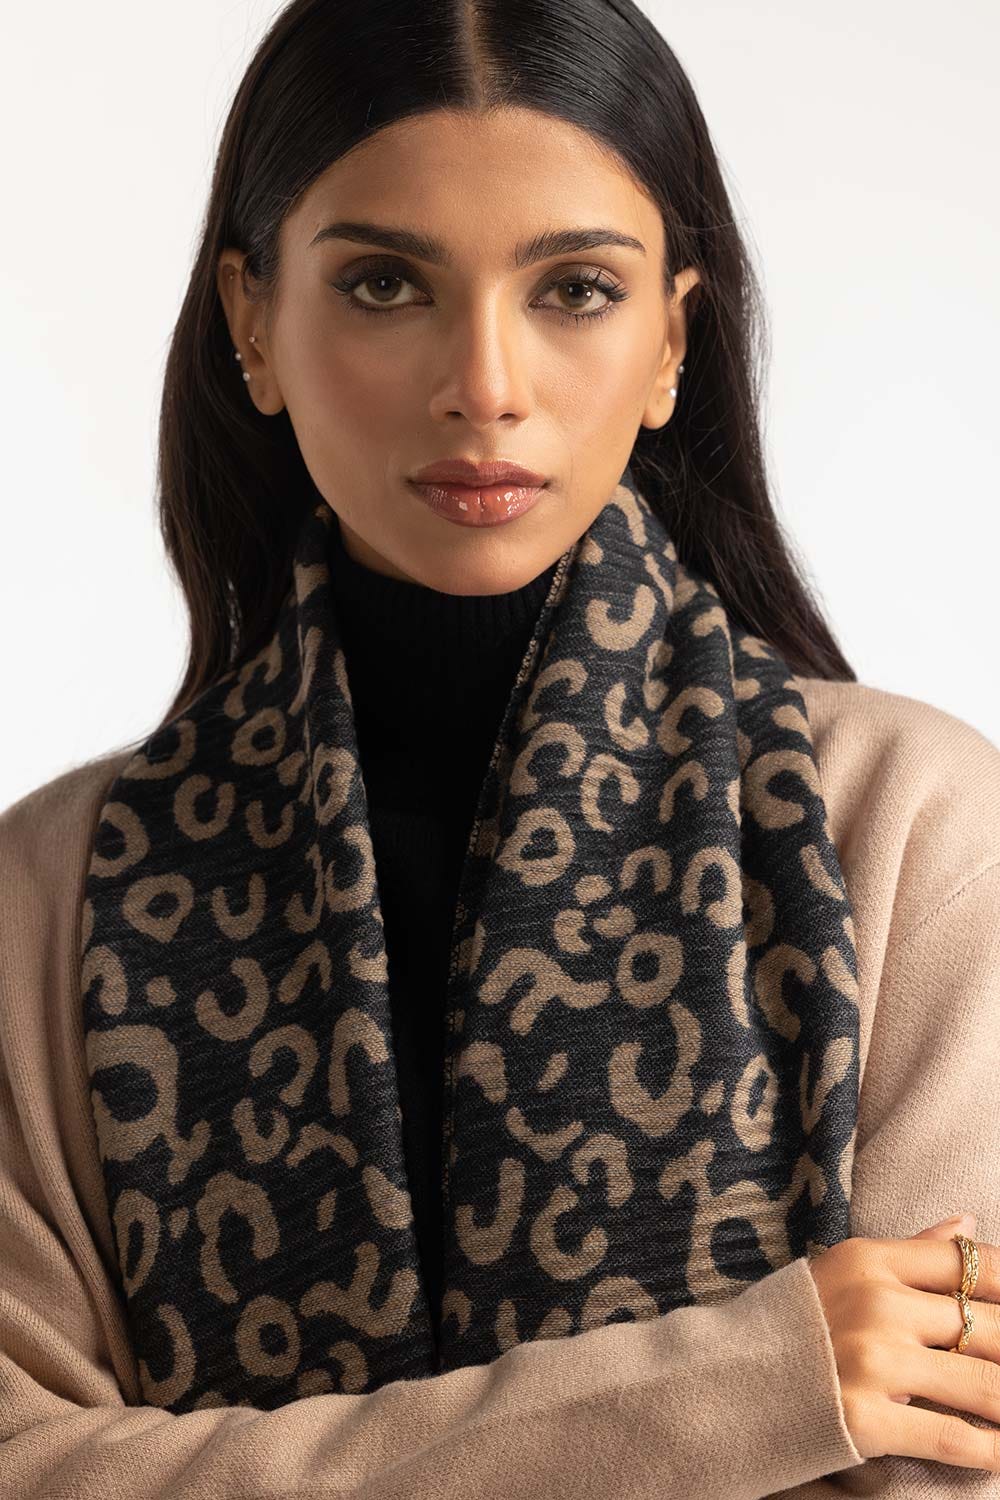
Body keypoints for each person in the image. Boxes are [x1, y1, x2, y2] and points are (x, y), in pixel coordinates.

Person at [2, 1, 999, 1495]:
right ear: (253, 323)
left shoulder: (909, 830)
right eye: (385, 283)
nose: (485, 383)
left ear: (671, 340)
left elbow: (951, 1469)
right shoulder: (54, 895)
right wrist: (750, 1389)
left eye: (576, 290)